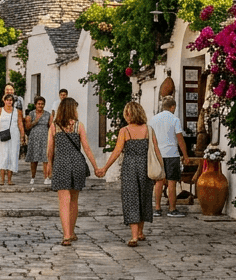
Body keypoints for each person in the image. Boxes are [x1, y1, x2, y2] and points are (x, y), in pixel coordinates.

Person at [97, 101, 157, 247]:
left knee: (132, 199)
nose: (127, 116)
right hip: (145, 168)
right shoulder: (148, 130)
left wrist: (105, 168)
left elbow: (117, 152)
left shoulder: (125, 131)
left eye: (127, 113)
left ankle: (134, 236)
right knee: (144, 197)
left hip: (130, 168)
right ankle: (140, 232)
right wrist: (161, 170)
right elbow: (156, 150)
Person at [46, 97, 99, 246]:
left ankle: (66, 235)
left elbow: (50, 149)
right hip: (77, 163)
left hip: (61, 163)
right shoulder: (78, 126)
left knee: (63, 201)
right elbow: (86, 148)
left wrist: (49, 164)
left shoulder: (54, 127)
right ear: (72, 109)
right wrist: (95, 167)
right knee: (74, 200)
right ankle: (72, 231)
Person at [149, 96, 189, 217]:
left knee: (158, 182)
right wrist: (185, 155)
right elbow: (180, 139)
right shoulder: (175, 120)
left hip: (158, 154)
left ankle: (157, 208)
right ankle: (172, 209)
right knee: (172, 183)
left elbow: (150, 137)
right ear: (173, 107)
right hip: (172, 154)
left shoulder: (153, 120)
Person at [0, 93, 26, 186]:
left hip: (14, 136)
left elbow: (20, 124)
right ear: (4, 101)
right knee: (3, 155)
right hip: (3, 135)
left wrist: (22, 135)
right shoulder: (0, 110)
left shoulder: (17, 112)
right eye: (7, 100)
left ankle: (10, 180)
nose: (9, 102)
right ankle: (2, 179)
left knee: (12, 156)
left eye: (11, 100)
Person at [25, 96, 50, 185]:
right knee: (34, 159)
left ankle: (46, 177)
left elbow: (50, 126)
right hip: (34, 137)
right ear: (35, 104)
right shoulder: (31, 114)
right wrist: (34, 122)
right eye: (39, 104)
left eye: (42, 104)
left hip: (45, 137)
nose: (40, 105)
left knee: (45, 158)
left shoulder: (47, 114)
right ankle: (33, 177)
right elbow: (27, 127)